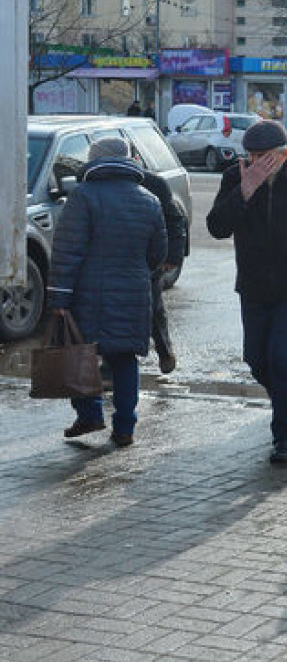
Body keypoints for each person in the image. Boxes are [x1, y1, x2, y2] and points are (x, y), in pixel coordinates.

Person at [207, 118, 287, 463]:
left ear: (283, 154)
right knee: (256, 359)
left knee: (283, 358)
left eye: (264, 156)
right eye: (251, 156)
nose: (256, 163)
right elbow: (217, 227)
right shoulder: (236, 177)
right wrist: (245, 191)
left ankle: (285, 434)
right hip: (254, 288)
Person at [50, 138, 166, 447]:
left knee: (81, 354)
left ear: (94, 160)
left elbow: (67, 251)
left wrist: (59, 298)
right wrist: (136, 274)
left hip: (88, 294)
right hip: (134, 292)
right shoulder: (149, 200)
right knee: (125, 358)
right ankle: (125, 427)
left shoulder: (83, 196)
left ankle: (90, 414)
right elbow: (158, 253)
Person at [136, 158, 187, 376]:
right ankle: (112, 363)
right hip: (109, 262)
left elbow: (174, 220)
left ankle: (165, 350)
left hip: (148, 259)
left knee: (154, 307)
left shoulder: (154, 184)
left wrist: (172, 256)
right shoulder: (90, 185)